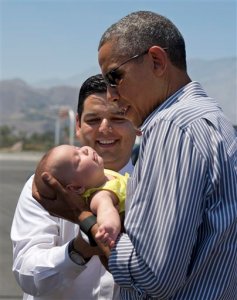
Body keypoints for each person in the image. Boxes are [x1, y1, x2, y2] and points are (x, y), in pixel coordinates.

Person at [35, 11, 237, 300]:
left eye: (115, 77)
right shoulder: (209, 118)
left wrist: (82, 217)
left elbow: (152, 276)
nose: (112, 94)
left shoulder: (172, 127)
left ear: (156, 61)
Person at [11, 74, 139, 299]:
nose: (105, 128)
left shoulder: (153, 187)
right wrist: (78, 250)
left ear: (136, 124)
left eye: (118, 117)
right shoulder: (44, 189)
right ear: (78, 125)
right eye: (93, 120)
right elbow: (28, 274)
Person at [34, 144, 129, 248]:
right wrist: (109, 227)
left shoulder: (103, 174)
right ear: (76, 188)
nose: (84, 150)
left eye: (78, 148)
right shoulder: (100, 195)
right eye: (78, 160)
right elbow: (107, 211)